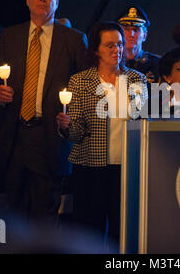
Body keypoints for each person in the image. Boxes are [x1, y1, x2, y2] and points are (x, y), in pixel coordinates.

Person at [0, 0, 87, 224]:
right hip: (13, 137)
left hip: (49, 138)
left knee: (44, 219)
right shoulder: (9, 36)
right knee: (12, 215)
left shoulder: (74, 40)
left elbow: (83, 88)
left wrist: (71, 119)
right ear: (27, 0)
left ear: (56, 2)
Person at [56, 22, 147, 250]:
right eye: (109, 45)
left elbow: (144, 124)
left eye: (119, 44)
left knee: (124, 232)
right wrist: (66, 127)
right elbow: (76, 133)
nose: (116, 49)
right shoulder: (80, 81)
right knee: (89, 233)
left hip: (127, 170)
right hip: (90, 168)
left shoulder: (137, 80)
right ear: (96, 49)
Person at [117, 5, 160, 83]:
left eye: (136, 30)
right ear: (119, 33)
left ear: (144, 35)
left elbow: (159, 94)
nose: (131, 34)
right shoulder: (112, 64)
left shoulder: (157, 65)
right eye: (126, 29)